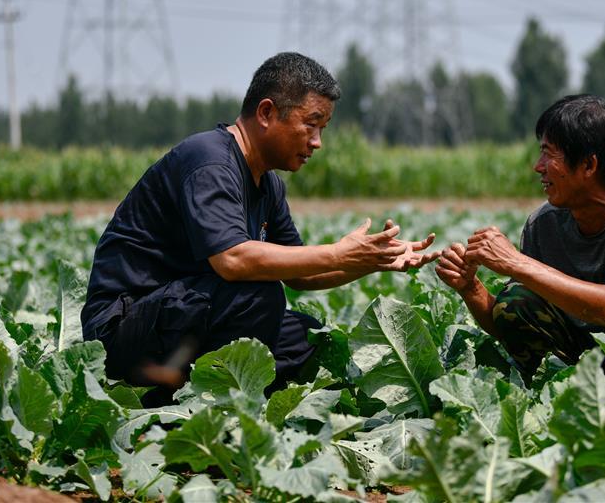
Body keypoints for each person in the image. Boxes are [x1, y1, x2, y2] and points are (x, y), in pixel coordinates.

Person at [83, 52, 438, 399]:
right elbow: (233, 260)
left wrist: (366, 260)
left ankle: (178, 402)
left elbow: (301, 274)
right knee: (257, 297)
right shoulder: (210, 161)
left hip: (179, 316)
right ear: (267, 112)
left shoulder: (268, 185)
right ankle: (179, 408)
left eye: (323, 129)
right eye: (311, 125)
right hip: (121, 327)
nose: (317, 142)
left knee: (307, 335)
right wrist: (337, 252)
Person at [436, 94, 605, 380]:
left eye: (549, 153)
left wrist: (516, 263)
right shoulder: (543, 226)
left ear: (588, 166)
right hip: (598, 363)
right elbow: (515, 321)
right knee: (516, 299)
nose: (538, 166)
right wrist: (470, 288)